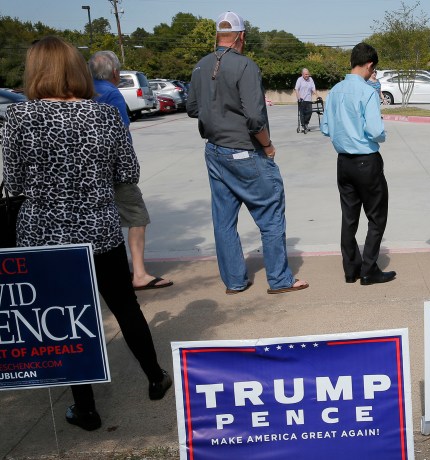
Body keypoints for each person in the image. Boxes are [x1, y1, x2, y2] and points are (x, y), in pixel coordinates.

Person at [2, 36, 172, 432]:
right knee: (125, 305)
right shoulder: (105, 115)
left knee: (64, 319)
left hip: (43, 236)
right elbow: (127, 174)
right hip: (98, 229)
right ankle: (154, 376)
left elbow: (13, 182)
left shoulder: (20, 118)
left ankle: (86, 407)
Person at [186, 11, 308, 295]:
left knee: (224, 220)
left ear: (218, 35)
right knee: (271, 214)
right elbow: (255, 118)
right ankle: (279, 279)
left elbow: (193, 108)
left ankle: (234, 281)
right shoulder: (245, 66)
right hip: (244, 150)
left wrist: (215, 112)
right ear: (241, 36)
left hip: (214, 151)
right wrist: (267, 145)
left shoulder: (201, 66)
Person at [88, 50, 173, 291]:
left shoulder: (81, 91)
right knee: (137, 217)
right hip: (114, 172)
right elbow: (121, 133)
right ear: (115, 72)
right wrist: (129, 170)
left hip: (88, 173)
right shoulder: (111, 93)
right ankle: (139, 274)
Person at [320, 43, 395, 285]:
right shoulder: (367, 92)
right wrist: (382, 135)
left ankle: (350, 268)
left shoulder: (335, 91)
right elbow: (374, 130)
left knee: (349, 217)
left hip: (344, 162)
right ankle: (369, 269)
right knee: (376, 217)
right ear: (370, 65)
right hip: (366, 161)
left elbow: (325, 128)